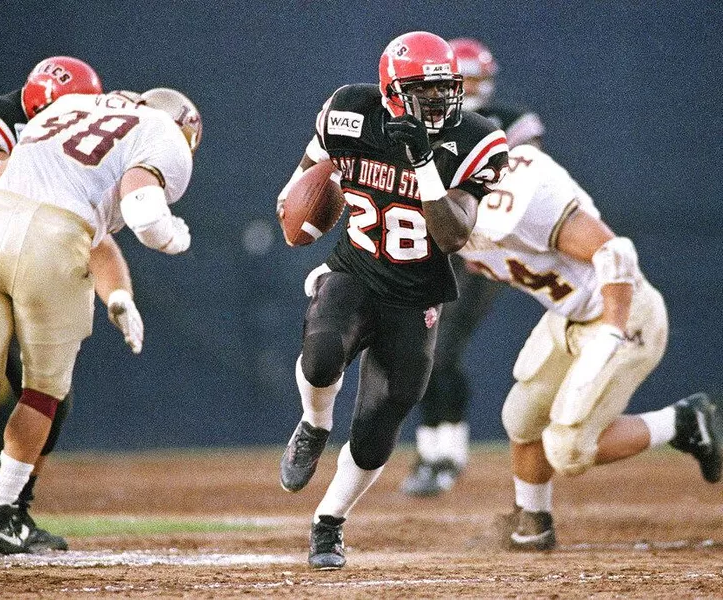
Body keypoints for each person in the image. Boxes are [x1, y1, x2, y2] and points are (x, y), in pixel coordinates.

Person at [276, 31, 509, 570]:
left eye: (446, 89)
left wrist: (423, 163)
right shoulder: (349, 110)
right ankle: (313, 424)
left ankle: (328, 524)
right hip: (356, 268)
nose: (442, 101)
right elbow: (303, 182)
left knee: (381, 424)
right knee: (321, 355)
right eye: (428, 91)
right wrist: (298, 211)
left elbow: (453, 236)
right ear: (393, 91)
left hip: (418, 293)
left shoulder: (477, 137)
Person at [0, 85, 201, 555]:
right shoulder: (162, 133)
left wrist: (119, 293)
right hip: (53, 238)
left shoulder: (69, 107)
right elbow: (142, 211)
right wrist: (173, 237)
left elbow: (3, 177)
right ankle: (0, 509)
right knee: (44, 390)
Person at [454, 144, 722, 549]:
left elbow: (614, 252)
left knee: (568, 450)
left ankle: (683, 422)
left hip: (623, 313)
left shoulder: (516, 199)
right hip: (569, 317)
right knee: (521, 418)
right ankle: (533, 524)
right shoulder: (444, 214)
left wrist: (612, 330)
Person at [0, 56, 139, 553]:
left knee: (47, 392)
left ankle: (8, 507)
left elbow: (94, 235)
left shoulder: (65, 145)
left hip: (8, 278)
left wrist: (117, 290)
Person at [402, 37, 547, 497]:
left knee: (440, 349)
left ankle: (443, 455)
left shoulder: (508, 123)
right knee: (421, 351)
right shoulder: (422, 124)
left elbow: (529, 180)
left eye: (481, 80)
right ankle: (436, 452)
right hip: (433, 248)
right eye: (468, 80)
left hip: (481, 251)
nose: (476, 89)